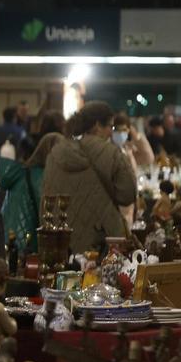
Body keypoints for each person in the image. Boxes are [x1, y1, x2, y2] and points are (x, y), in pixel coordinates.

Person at [41, 101, 136, 255]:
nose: (112, 133)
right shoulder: (112, 153)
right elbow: (127, 195)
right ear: (97, 125)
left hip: (59, 240)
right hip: (99, 241)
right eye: (110, 127)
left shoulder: (56, 152)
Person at [0, 132, 61, 255]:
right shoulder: (43, 176)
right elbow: (47, 211)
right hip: (29, 240)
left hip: (7, 235)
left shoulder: (21, 172)